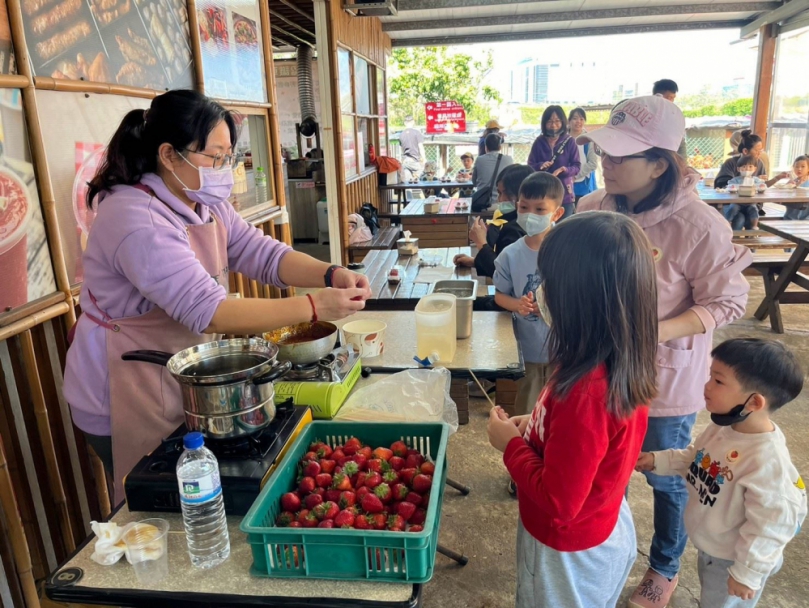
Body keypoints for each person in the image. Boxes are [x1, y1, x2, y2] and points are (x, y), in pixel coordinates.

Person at [63, 90, 371, 500]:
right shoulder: (134, 218)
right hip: (122, 388)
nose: (224, 168)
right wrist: (314, 306)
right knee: (159, 502)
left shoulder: (202, 202)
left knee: (192, 489)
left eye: (229, 156)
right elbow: (208, 311)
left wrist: (330, 273)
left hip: (177, 372)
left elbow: (262, 253)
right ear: (169, 155)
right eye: (215, 156)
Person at [576, 95, 752, 608]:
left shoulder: (699, 226)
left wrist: (654, 331)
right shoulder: (593, 209)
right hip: (599, 368)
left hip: (663, 377)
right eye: (603, 153)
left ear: (659, 164)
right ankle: (604, 546)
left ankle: (664, 565)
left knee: (665, 476)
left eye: (620, 156)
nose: (606, 164)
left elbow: (727, 301)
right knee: (599, 464)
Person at [487, 211, 658, 608]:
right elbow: (589, 443)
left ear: (579, 299)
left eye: (550, 282)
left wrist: (510, 445)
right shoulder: (614, 357)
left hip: (566, 552)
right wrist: (536, 425)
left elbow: (559, 503)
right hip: (602, 523)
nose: (541, 292)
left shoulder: (585, 392)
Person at [636, 338, 806, 608]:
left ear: (754, 402)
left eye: (718, 381)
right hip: (713, 546)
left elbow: (773, 525)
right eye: (710, 376)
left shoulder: (767, 463)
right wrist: (658, 460)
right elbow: (696, 457)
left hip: (735, 560)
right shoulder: (724, 427)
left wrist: (747, 574)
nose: (706, 386)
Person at [493, 172, 564, 424]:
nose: (530, 214)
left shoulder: (568, 250)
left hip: (565, 350)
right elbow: (500, 295)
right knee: (527, 413)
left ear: (557, 213)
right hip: (528, 348)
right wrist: (517, 304)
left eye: (540, 209)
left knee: (561, 412)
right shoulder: (510, 255)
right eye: (524, 207)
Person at [453, 164, 533, 278]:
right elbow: (501, 262)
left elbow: (502, 274)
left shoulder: (517, 228)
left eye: (506, 194)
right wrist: (475, 262)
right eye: (499, 193)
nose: (500, 199)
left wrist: (481, 243)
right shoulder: (510, 219)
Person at [527, 105, 580, 219]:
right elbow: (530, 166)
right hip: (542, 194)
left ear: (563, 122)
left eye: (557, 121)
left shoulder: (570, 141)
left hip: (565, 195)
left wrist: (565, 170)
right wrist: (540, 166)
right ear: (544, 123)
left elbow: (576, 166)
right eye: (550, 121)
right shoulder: (538, 142)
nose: (553, 125)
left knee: (564, 227)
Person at [718, 154, 766, 231]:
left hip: (750, 203)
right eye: (744, 167)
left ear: (755, 169)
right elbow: (729, 186)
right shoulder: (735, 180)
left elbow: (762, 186)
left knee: (754, 209)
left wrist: (761, 187)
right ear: (738, 169)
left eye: (750, 167)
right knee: (733, 208)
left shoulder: (756, 180)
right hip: (737, 202)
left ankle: (754, 226)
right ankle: (727, 222)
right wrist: (733, 188)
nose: (747, 169)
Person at [473, 132, 514, 208]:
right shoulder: (509, 159)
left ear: (486, 147)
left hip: (482, 203)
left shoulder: (479, 160)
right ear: (500, 147)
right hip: (502, 204)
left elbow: (474, 182)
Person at [568, 107, 598, 204]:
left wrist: (575, 176)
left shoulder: (588, 140)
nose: (578, 121)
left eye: (581, 119)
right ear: (569, 121)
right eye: (575, 118)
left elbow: (593, 163)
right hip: (563, 184)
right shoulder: (562, 139)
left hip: (582, 185)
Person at [652, 79, 688, 160]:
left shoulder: (674, 116)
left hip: (669, 159)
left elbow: (681, 143)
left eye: (673, 98)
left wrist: (683, 164)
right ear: (656, 96)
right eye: (669, 97)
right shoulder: (645, 113)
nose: (671, 101)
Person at [399, 115, 425, 181]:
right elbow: (421, 147)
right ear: (413, 122)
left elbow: (402, 150)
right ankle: (416, 177)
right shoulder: (417, 133)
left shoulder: (401, 134)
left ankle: (412, 180)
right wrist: (424, 159)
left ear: (405, 123)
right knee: (424, 170)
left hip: (405, 161)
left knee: (408, 182)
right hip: (414, 161)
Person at [784, 155, 809, 220]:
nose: (799, 169)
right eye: (797, 166)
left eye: (803, 166)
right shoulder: (793, 181)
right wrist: (789, 186)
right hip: (790, 218)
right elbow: (784, 196)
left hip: (805, 219)